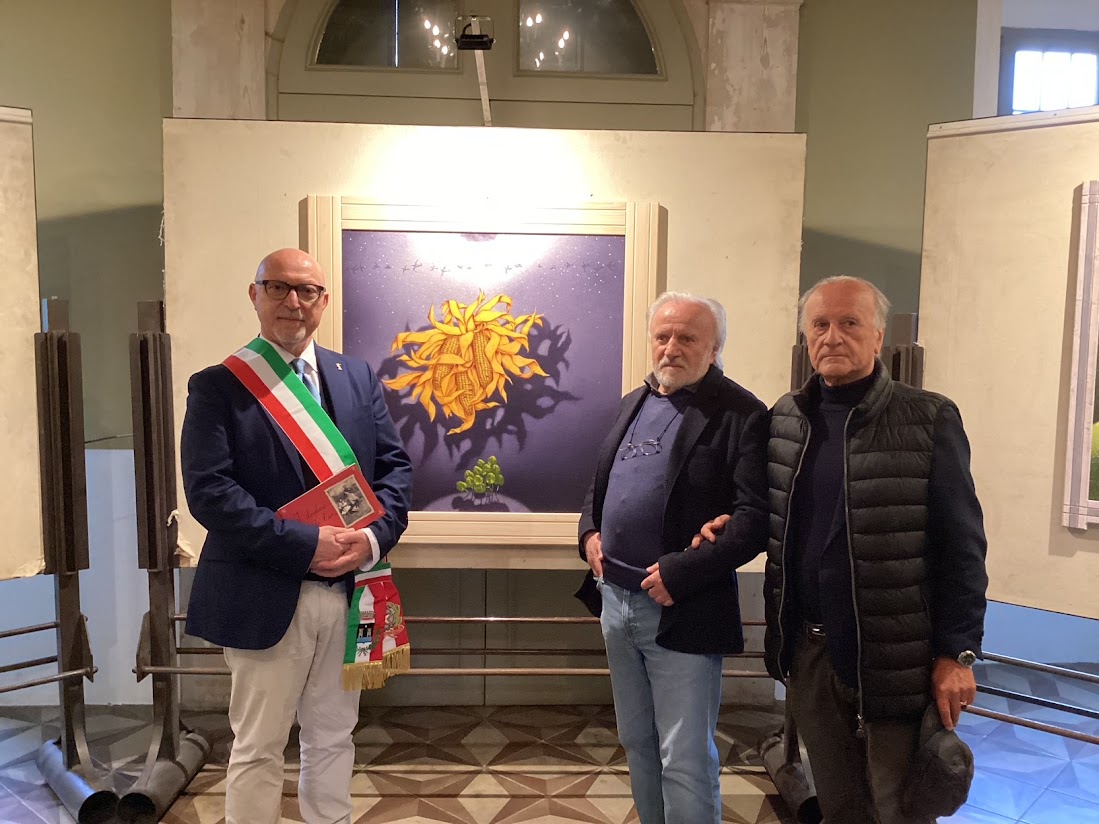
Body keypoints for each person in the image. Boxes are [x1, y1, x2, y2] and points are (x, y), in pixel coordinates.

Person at [697, 275, 988, 824]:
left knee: (899, 809)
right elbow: (767, 510)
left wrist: (958, 654)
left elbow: (963, 547)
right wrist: (727, 523)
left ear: (878, 336)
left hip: (895, 660)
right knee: (840, 807)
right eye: (820, 325)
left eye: (850, 323)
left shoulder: (929, 419)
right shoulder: (785, 418)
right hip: (811, 656)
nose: (832, 336)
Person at [182, 248, 413, 824]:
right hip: (263, 589)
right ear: (254, 294)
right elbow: (211, 493)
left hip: (351, 589)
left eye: (306, 290)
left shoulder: (357, 377)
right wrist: (305, 545)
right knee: (258, 745)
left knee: (334, 736)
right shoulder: (218, 386)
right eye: (278, 287)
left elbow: (394, 470)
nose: (293, 301)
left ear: (323, 301)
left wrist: (372, 540)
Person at [577, 291, 768, 824]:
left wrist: (681, 573)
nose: (671, 347)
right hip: (616, 601)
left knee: (682, 757)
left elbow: (755, 518)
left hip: (682, 608)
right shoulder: (633, 403)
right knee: (637, 741)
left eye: (687, 337)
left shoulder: (742, 414)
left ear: (715, 347)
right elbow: (600, 485)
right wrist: (589, 532)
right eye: (662, 336)